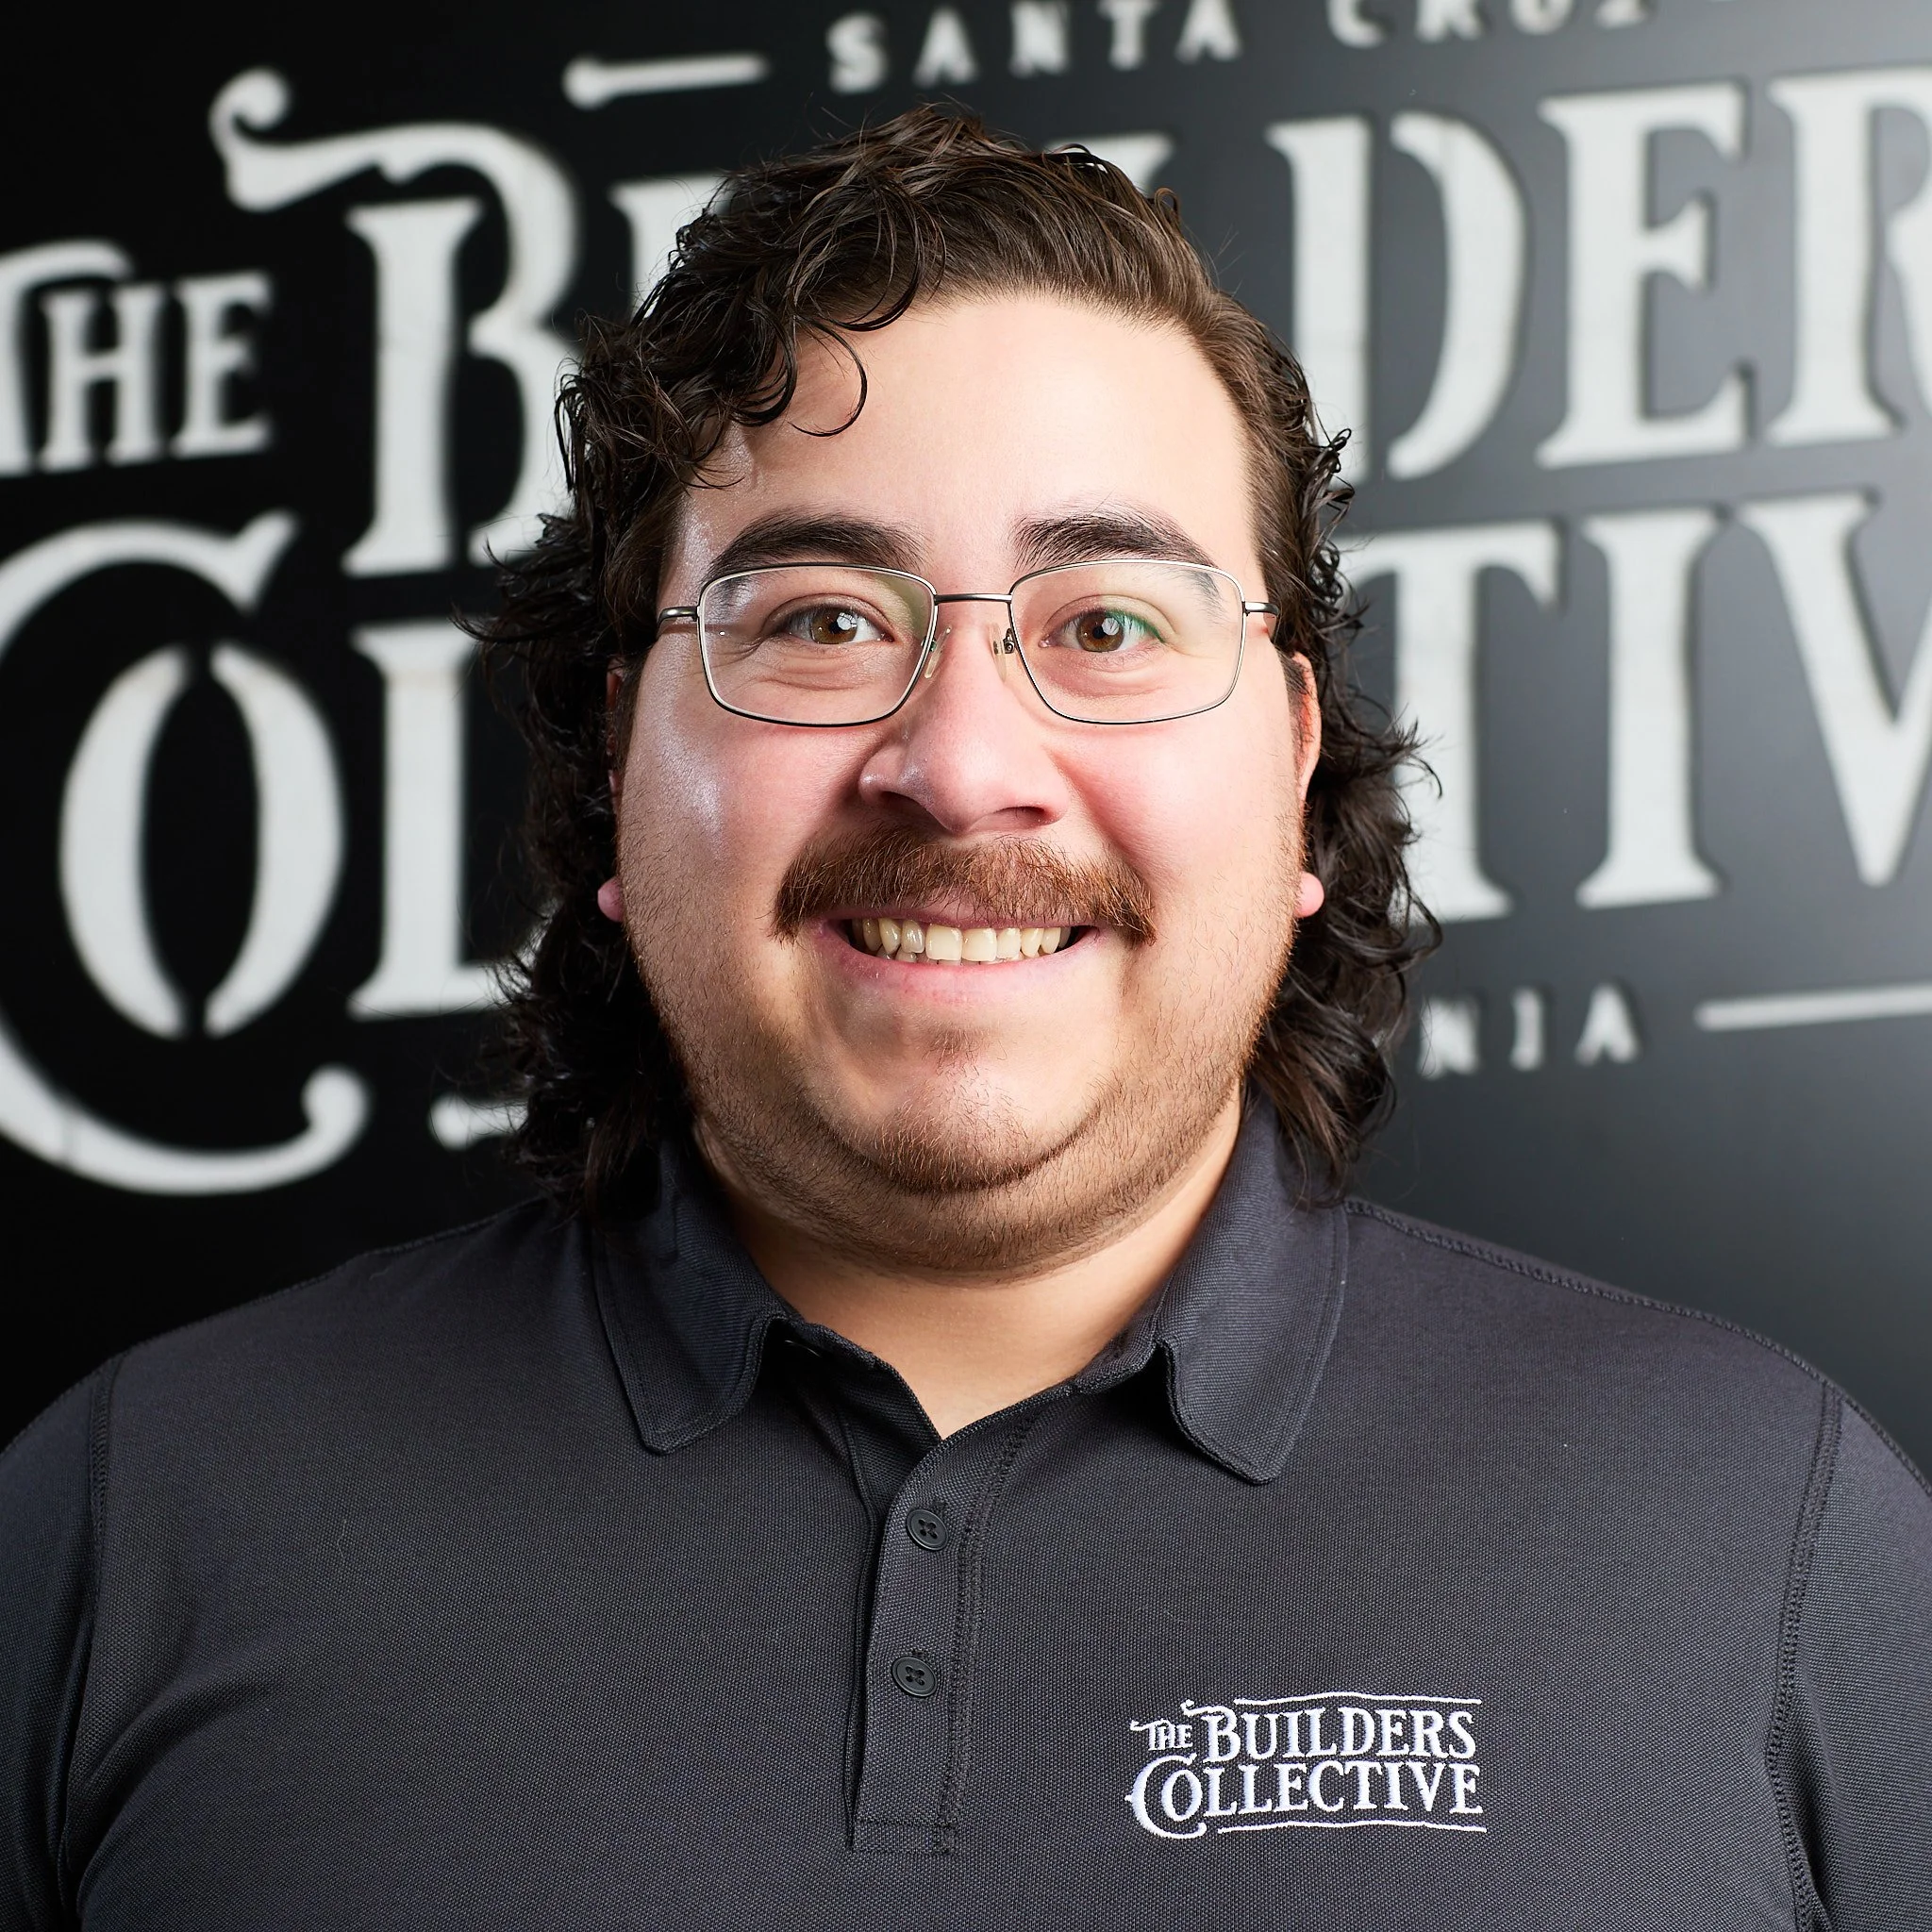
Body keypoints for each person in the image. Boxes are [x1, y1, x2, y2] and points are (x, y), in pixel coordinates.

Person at [4, 105, 1928, 1929]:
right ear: (615, 768)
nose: (960, 768)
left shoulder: (1769, 1528)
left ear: (1291, 766)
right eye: (821, 620)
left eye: (1106, 623)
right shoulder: (126, 1522)